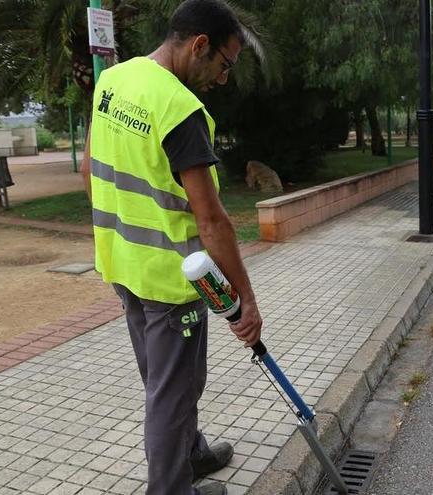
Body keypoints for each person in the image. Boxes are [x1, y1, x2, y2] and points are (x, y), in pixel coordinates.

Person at [80, 1, 263, 494]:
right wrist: (245, 300)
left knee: (165, 381)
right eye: (224, 64)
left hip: (122, 265)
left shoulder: (114, 80)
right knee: (172, 393)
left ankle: (192, 453)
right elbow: (212, 221)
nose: (223, 79)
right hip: (169, 280)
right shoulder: (179, 110)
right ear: (199, 45)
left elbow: (89, 167)